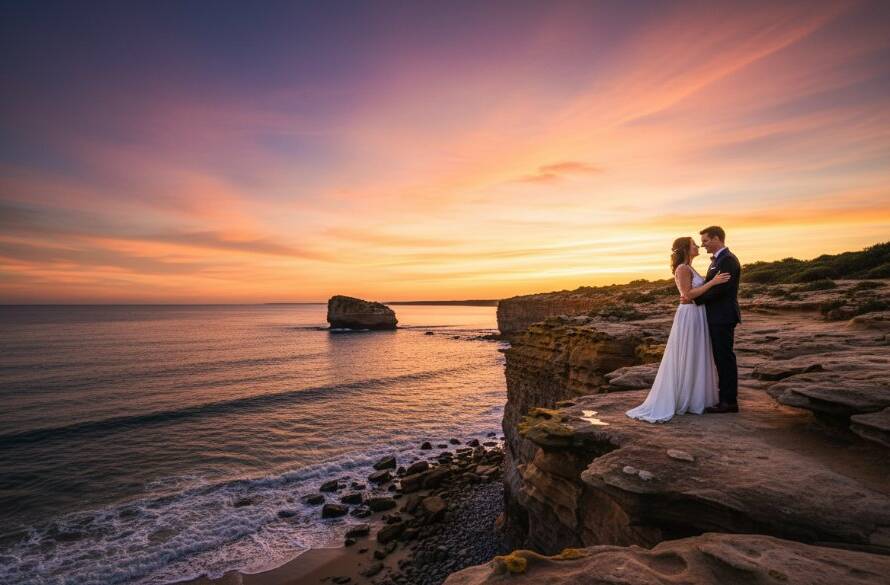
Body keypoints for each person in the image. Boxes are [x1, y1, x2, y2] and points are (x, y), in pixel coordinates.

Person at [625, 237, 729, 423]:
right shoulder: (682, 268)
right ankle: (684, 397)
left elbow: (692, 294)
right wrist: (712, 283)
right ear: (685, 249)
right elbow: (687, 295)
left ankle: (695, 396)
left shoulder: (689, 267)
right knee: (688, 353)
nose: (698, 246)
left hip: (697, 313)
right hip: (690, 314)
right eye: (694, 245)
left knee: (696, 353)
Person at [686, 225, 742, 413]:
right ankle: (724, 398)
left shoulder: (728, 260)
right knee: (720, 358)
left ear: (717, 238)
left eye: (705, 241)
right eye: (701, 242)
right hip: (716, 316)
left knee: (724, 358)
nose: (703, 245)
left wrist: (695, 298)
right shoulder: (717, 261)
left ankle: (729, 402)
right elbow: (712, 286)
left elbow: (720, 290)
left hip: (723, 316)